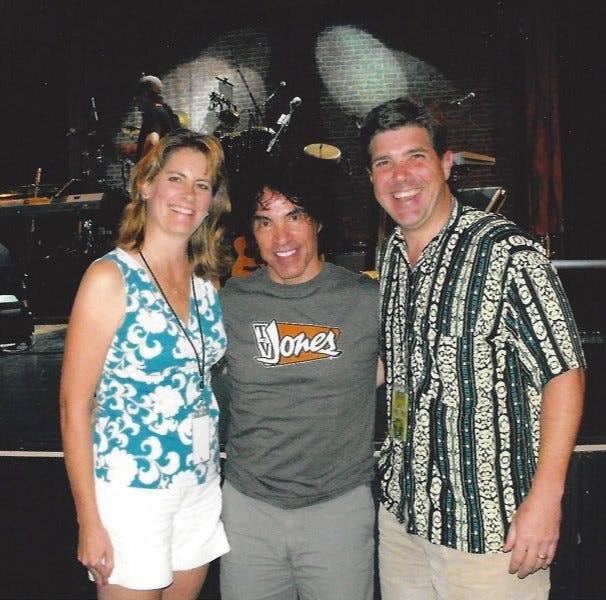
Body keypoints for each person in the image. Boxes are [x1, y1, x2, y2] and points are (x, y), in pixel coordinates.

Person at [358, 96, 586, 600]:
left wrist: (547, 499)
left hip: (490, 532)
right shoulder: (392, 253)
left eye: (415, 157)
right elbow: (396, 363)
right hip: (403, 517)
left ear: (445, 163)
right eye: (384, 163)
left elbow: (564, 374)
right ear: (371, 177)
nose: (400, 176)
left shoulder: (506, 252)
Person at [60, 128, 233, 599]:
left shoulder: (206, 283)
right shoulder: (109, 278)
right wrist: (89, 519)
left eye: (202, 184)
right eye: (176, 178)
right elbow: (75, 406)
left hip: (199, 485)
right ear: (147, 185)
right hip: (131, 492)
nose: (188, 195)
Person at [218, 156, 382, 600]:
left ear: (318, 222)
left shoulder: (366, 300)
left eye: (295, 216)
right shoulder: (232, 301)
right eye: (265, 222)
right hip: (248, 511)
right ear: (250, 232)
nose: (282, 237)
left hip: (339, 510)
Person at [134, 75, 180, 162]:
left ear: (144, 95)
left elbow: (152, 141)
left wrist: (141, 168)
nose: (136, 101)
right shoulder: (166, 110)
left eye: (138, 97)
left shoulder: (152, 112)